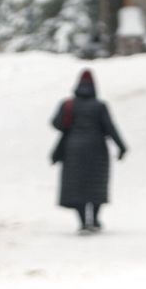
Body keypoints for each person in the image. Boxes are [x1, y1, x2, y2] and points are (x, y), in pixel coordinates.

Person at [50, 69, 126, 232]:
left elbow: (56, 124)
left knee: (77, 186)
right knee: (95, 185)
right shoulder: (100, 106)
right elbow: (110, 127)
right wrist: (121, 146)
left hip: (73, 150)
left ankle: (84, 221)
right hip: (97, 149)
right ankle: (96, 220)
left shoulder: (68, 104)